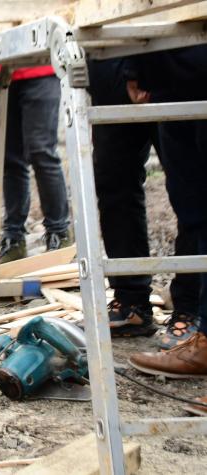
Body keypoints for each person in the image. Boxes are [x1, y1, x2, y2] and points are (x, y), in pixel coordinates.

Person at [88, 57, 200, 341]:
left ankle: (191, 308)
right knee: (114, 185)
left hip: (173, 66)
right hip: (111, 66)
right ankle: (130, 300)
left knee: (192, 188)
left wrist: (138, 70)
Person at [0, 65, 72, 262]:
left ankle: (59, 233)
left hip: (39, 67)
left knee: (41, 152)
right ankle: (13, 239)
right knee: (8, 158)